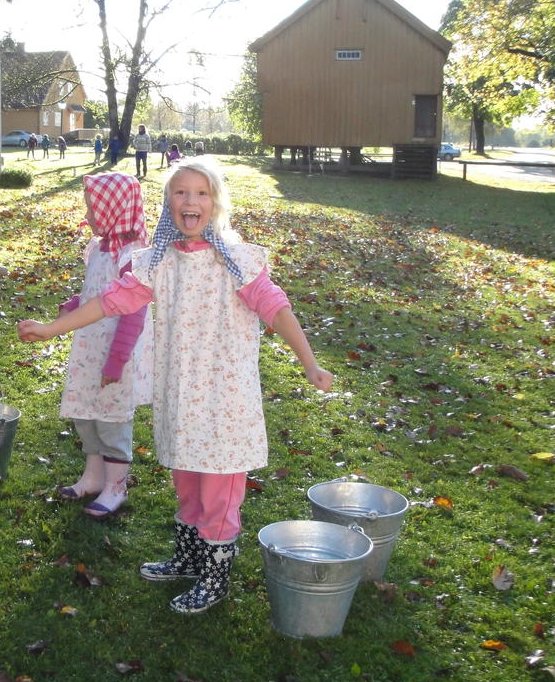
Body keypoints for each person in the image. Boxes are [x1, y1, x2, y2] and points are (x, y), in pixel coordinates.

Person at [18, 157, 333, 614]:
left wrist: (310, 363)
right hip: (181, 398)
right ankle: (189, 558)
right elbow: (110, 302)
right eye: (181, 192)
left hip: (225, 403)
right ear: (168, 203)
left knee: (217, 494)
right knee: (187, 482)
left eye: (201, 193)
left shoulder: (239, 262)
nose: (191, 201)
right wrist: (52, 328)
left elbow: (277, 309)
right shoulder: (157, 262)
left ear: (216, 202)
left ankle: (214, 576)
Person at [54, 173, 153, 517]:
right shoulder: (98, 247)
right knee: (86, 413)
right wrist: (73, 305)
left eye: (93, 210)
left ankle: (116, 485)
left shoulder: (134, 254)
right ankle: (93, 476)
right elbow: (95, 294)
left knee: (111, 418)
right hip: (89, 348)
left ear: (114, 209)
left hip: (116, 353)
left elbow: (133, 313)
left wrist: (117, 360)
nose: (88, 216)